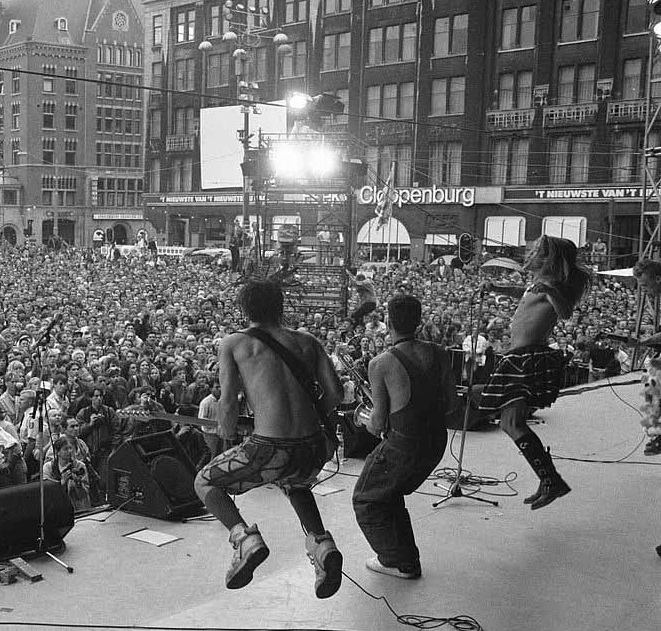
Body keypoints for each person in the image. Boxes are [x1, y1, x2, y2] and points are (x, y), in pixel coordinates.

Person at [193, 280, 345, 599]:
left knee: (205, 482)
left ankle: (245, 540)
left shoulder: (234, 343)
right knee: (295, 482)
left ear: (245, 309)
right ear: (280, 306)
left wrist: (226, 429)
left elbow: (228, 403)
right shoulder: (308, 340)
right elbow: (335, 393)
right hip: (313, 449)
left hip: (270, 449)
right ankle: (322, 545)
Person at [478, 235, 592, 509]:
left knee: (512, 423)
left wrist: (550, 291)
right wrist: (497, 287)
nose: (531, 254)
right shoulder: (541, 284)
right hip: (519, 356)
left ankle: (552, 481)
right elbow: (528, 292)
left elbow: (565, 312)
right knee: (509, 423)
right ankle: (549, 479)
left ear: (550, 258)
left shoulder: (553, 286)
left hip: (526, 358)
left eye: (538, 251)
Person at [353, 295, 455, 579]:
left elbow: (377, 424)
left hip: (404, 446)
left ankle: (395, 561)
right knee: (389, 493)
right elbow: (451, 405)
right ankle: (407, 558)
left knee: (366, 498)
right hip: (436, 443)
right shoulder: (439, 352)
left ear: (388, 321)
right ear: (419, 320)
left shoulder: (380, 363)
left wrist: (366, 419)